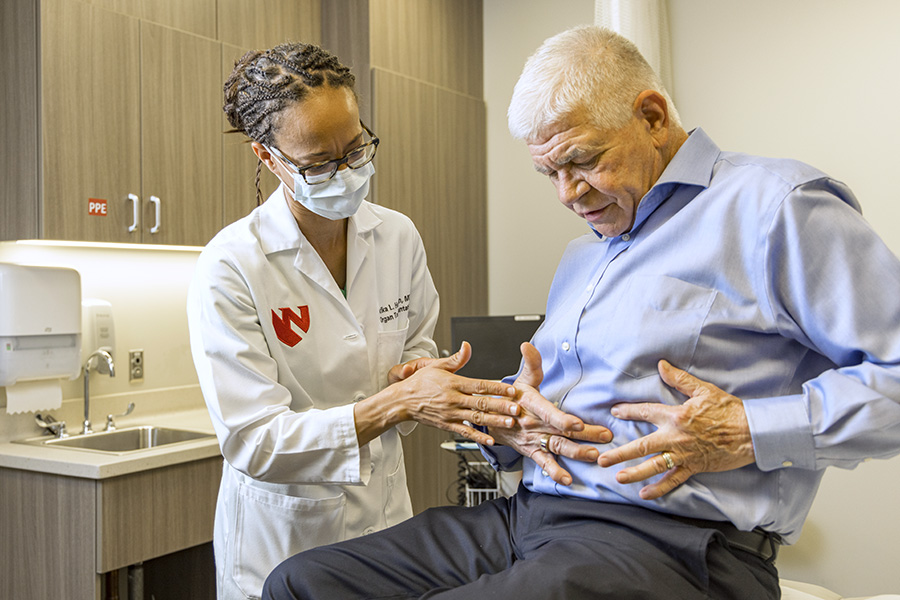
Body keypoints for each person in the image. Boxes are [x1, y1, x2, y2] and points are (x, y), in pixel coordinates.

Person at [261, 26, 900, 600]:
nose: (569, 194)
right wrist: (510, 419)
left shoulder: (775, 208)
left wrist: (748, 430)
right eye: (550, 173)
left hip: (674, 545)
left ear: (652, 117)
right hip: (530, 517)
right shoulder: (585, 255)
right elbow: (577, 398)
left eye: (583, 161)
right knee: (302, 583)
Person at [186, 42, 533, 600]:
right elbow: (254, 442)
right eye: (319, 163)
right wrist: (396, 403)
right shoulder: (232, 266)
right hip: (285, 536)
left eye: (356, 148)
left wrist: (421, 376)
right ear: (268, 156)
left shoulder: (397, 235)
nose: (345, 171)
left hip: (386, 523)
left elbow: (415, 342)